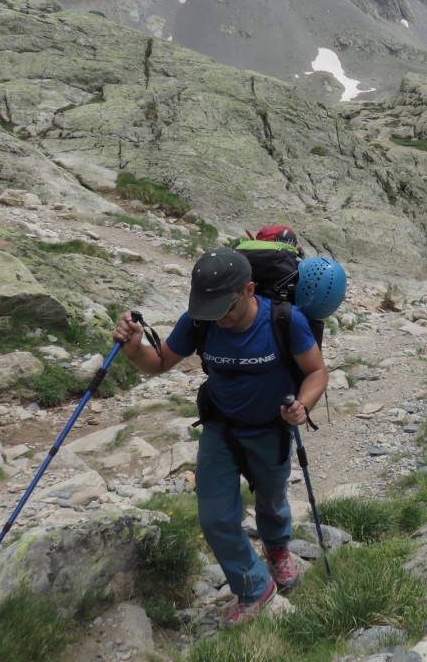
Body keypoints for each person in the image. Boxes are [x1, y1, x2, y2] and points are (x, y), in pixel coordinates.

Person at [112, 248, 329, 625]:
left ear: (248, 290)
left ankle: (277, 548)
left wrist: (303, 407)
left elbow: (316, 372)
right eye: (209, 309)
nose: (219, 319)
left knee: (272, 499)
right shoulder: (201, 320)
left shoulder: (284, 320)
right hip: (221, 428)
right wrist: (134, 350)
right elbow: (160, 362)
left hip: (272, 429)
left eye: (225, 309)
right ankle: (254, 586)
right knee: (214, 517)